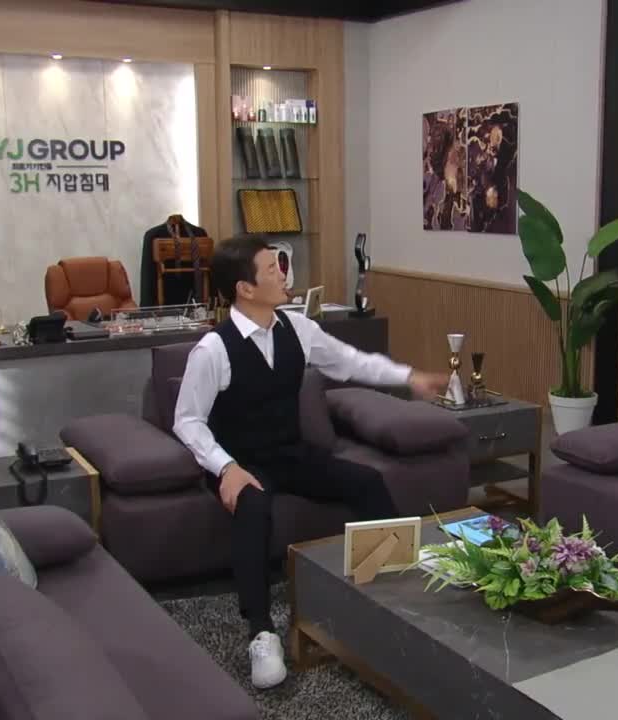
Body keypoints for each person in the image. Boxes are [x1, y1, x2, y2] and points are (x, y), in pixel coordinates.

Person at [172, 235, 448, 690]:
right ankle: (261, 632)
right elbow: (187, 421)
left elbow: (351, 363)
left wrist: (409, 377)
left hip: (290, 452)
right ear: (245, 288)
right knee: (254, 507)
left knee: (367, 481)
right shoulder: (213, 350)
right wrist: (225, 467)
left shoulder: (298, 328)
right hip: (241, 463)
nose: (283, 272)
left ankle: (401, 587)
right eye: (272, 267)